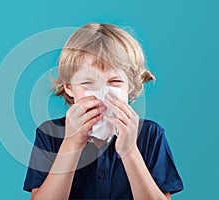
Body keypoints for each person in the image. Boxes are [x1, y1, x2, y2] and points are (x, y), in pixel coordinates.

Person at [23, 22, 183, 199]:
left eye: (114, 82)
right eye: (87, 83)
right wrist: (71, 144)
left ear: (130, 86)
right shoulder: (50, 134)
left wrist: (129, 151)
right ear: (69, 87)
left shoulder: (151, 135)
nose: (102, 94)